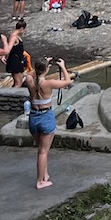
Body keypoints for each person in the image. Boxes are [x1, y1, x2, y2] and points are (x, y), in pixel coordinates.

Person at [27, 55, 74, 189]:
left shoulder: (30, 80)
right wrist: (63, 67)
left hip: (33, 116)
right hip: (45, 116)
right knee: (43, 151)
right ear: (46, 70)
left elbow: (30, 74)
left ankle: (45, 174)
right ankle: (40, 181)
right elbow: (67, 82)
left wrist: (42, 64)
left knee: (41, 149)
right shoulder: (48, 83)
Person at [3, 20, 30, 89]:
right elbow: (8, 48)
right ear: (21, 29)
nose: (25, 31)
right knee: (18, 83)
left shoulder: (15, 36)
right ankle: (12, 96)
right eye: (24, 29)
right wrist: (4, 55)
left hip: (18, 60)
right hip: (15, 61)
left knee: (19, 81)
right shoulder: (14, 37)